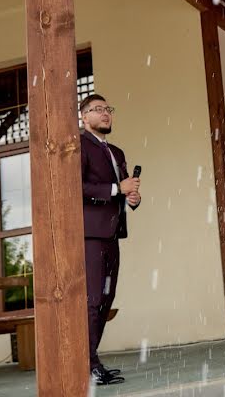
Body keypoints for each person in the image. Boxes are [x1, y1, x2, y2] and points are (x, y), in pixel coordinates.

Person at [79, 94, 141, 385]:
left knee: (106, 298)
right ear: (84, 117)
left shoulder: (116, 151)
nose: (105, 114)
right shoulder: (79, 144)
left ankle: (91, 360)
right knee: (92, 300)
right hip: (90, 235)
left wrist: (133, 197)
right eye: (97, 110)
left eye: (108, 109)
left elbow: (125, 191)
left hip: (113, 233)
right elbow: (77, 186)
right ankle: (86, 364)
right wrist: (118, 188)